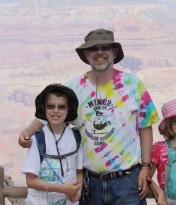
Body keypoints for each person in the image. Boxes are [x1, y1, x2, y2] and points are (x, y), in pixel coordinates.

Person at [18, 28, 160, 205]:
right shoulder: (74, 88)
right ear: (86, 54)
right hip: (89, 182)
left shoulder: (133, 85)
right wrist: (27, 132)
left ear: (114, 52)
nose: (99, 52)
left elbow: (145, 125)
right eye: (93, 48)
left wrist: (146, 166)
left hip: (127, 180)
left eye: (105, 47)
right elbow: (52, 112)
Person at [22, 84, 83, 205]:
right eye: (51, 106)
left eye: (61, 107)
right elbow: (31, 181)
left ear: (69, 109)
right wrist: (62, 188)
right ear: (44, 109)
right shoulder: (38, 139)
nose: (56, 111)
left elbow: (79, 171)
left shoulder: (75, 137)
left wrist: (79, 190)